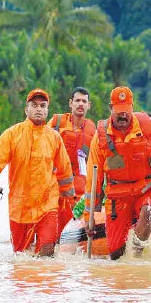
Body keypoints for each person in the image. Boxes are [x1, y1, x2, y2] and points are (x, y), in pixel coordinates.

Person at [85, 86, 151, 260]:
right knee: (115, 254)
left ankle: (135, 258)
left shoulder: (148, 128)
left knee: (147, 212)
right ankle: (125, 263)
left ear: (132, 107)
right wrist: (89, 217)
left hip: (146, 189)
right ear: (110, 108)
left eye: (126, 112)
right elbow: (93, 180)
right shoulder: (100, 138)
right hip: (118, 197)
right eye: (118, 112)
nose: (123, 116)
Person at [0, 88, 76, 256]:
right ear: (26, 109)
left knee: (47, 252)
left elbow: (65, 173)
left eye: (43, 105)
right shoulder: (11, 135)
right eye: (34, 105)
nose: (38, 109)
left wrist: (71, 205)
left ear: (47, 110)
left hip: (48, 206)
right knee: (21, 257)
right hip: (20, 208)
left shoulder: (54, 138)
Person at [48, 86, 96, 231]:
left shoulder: (93, 130)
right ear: (70, 103)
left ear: (89, 105)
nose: (80, 104)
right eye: (77, 100)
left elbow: (99, 161)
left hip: (79, 191)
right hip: (54, 188)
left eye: (84, 101)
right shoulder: (56, 122)